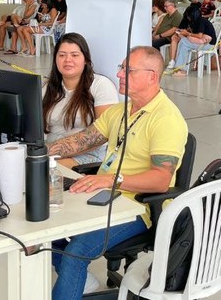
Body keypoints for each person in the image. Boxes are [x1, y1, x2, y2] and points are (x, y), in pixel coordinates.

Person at [46, 46, 187, 299]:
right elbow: (82, 141)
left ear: (152, 77)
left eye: (128, 70)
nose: (119, 74)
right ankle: (81, 282)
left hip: (137, 209)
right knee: (46, 232)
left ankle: (73, 274)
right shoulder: (122, 111)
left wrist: (112, 179)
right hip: (103, 195)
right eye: (121, 68)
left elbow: (161, 180)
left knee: (74, 253)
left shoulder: (166, 119)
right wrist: (37, 153)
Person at [43, 33, 119, 168]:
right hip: (51, 152)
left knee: (42, 170)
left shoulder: (101, 85)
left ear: (85, 59)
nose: (67, 60)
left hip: (90, 154)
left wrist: (47, 153)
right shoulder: (47, 89)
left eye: (74, 55)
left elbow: (104, 133)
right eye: (62, 55)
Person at [167, 9, 218, 76]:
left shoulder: (201, 21)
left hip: (208, 44)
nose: (188, 18)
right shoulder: (196, 21)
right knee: (184, 43)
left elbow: (199, 36)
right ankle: (180, 68)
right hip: (202, 42)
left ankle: (181, 69)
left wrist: (187, 33)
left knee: (183, 42)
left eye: (188, 16)